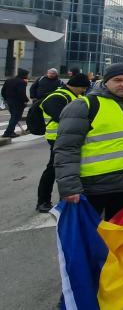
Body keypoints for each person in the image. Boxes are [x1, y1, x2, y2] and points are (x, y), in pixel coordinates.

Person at [54, 64, 123, 223]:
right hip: (93, 187)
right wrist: (70, 187)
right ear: (106, 81)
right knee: (89, 238)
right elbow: (66, 149)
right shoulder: (84, 106)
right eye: (118, 80)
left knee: (117, 235)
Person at [35, 73, 91, 212]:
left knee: (62, 169)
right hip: (57, 138)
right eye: (83, 88)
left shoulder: (74, 96)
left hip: (67, 137)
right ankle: (43, 201)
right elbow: (61, 116)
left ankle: (61, 200)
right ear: (77, 86)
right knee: (53, 170)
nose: (84, 91)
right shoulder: (58, 96)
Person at [1, 69, 29, 138]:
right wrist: (26, 100)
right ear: (24, 75)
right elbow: (21, 93)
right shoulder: (22, 82)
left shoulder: (8, 80)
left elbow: (3, 91)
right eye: (27, 75)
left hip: (9, 101)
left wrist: (6, 99)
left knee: (13, 117)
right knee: (15, 117)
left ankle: (11, 131)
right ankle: (8, 132)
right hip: (18, 102)